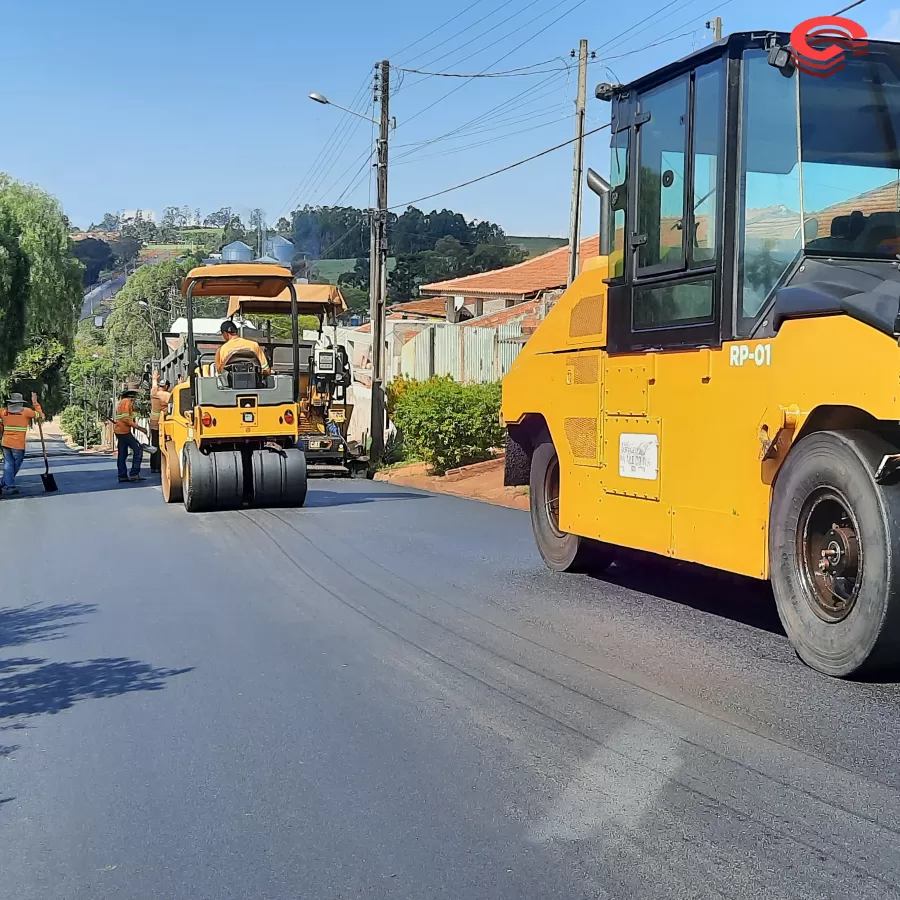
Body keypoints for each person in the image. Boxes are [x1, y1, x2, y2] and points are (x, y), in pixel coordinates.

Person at [0, 392, 43, 496]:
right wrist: (35, 402)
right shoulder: (26, 412)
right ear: (21, 403)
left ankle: (6, 484)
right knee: (15, 466)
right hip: (18, 445)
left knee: (8, 465)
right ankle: (9, 486)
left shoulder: (3, 412)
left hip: (5, 443)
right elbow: (40, 415)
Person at [114, 383, 148, 483]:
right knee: (138, 450)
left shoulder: (122, 402)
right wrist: (139, 428)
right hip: (124, 431)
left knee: (122, 454)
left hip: (120, 431)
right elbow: (125, 418)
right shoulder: (127, 402)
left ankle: (122, 475)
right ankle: (134, 474)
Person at [148, 370, 171, 475]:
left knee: (154, 444)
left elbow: (154, 386)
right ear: (166, 386)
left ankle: (153, 466)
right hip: (161, 423)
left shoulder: (154, 392)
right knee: (161, 445)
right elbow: (177, 398)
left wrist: (154, 379)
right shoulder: (166, 395)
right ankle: (159, 466)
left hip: (153, 422)